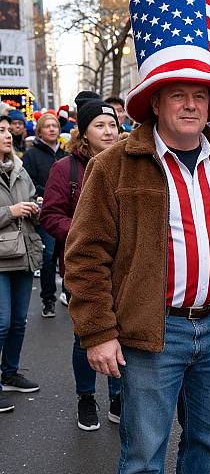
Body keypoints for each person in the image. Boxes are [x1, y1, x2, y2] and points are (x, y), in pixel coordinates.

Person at [64, 0, 210, 474]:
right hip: (152, 332)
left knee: (206, 449)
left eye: (200, 94)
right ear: (154, 102)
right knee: (143, 456)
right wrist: (98, 333)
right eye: (178, 94)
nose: (191, 104)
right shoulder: (115, 166)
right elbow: (85, 255)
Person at [40, 94, 121, 431]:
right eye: (98, 125)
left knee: (123, 335)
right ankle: (86, 397)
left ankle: (118, 396)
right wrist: (84, 233)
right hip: (83, 268)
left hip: (125, 269)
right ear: (83, 132)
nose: (107, 131)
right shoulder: (66, 168)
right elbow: (50, 215)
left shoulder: (129, 162)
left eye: (112, 125)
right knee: (85, 336)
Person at [0, 114, 43, 412]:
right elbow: (12, 210)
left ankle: (10, 373)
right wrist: (11, 211)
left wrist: (35, 208)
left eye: (6, 130)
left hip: (23, 252)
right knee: (1, 322)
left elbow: (30, 202)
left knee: (18, 321)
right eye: (0, 130)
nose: (6, 135)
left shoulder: (19, 167)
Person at [22, 113, 67, 318]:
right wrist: (48, 192)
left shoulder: (67, 154)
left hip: (67, 213)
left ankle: (69, 292)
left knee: (68, 255)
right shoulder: (31, 156)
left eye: (55, 125)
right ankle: (48, 299)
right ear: (39, 131)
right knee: (49, 257)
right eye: (47, 126)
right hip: (45, 213)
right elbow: (28, 182)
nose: (52, 129)